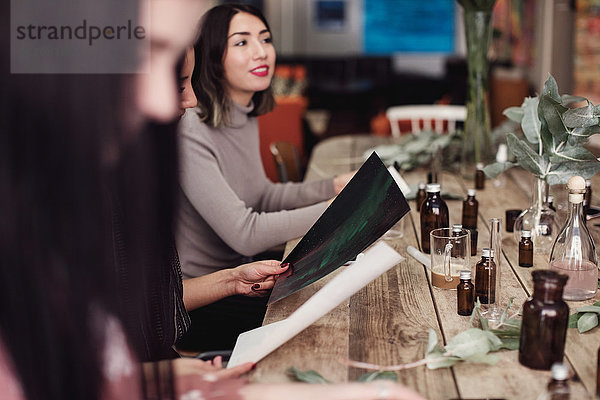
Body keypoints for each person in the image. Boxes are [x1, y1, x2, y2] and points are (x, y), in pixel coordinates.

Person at [175, 2, 354, 351]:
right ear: (212, 57)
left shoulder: (241, 113)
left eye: (266, 39)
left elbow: (262, 195)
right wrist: (340, 211)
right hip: (199, 300)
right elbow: (245, 233)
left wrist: (332, 188)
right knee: (330, 318)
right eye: (242, 42)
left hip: (241, 273)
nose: (262, 52)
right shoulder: (190, 128)